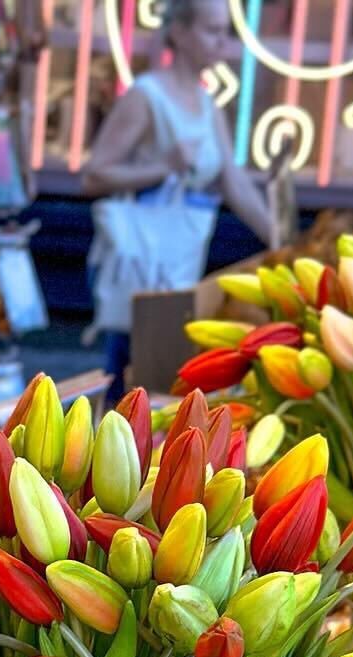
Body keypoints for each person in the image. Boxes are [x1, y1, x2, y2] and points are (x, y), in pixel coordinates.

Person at [83, 0, 272, 396]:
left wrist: (280, 237)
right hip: (141, 268)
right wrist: (164, 166)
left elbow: (232, 182)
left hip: (179, 265)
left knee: (159, 379)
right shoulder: (147, 96)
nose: (222, 42)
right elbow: (95, 176)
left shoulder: (207, 104)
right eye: (212, 30)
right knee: (130, 376)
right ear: (180, 33)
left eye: (226, 32)